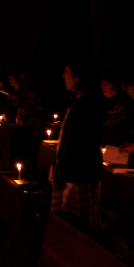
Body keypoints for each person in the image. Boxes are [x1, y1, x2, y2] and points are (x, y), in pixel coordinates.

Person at [50, 60, 105, 228]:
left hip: (78, 174)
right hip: (75, 171)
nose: (63, 76)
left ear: (79, 77)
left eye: (67, 72)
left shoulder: (87, 105)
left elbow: (75, 143)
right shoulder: (83, 102)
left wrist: (58, 171)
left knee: (76, 227)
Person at [99, 70, 134, 147]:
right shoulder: (103, 105)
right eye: (101, 84)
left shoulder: (123, 106)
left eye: (106, 83)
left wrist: (100, 137)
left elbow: (124, 133)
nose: (102, 86)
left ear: (115, 85)